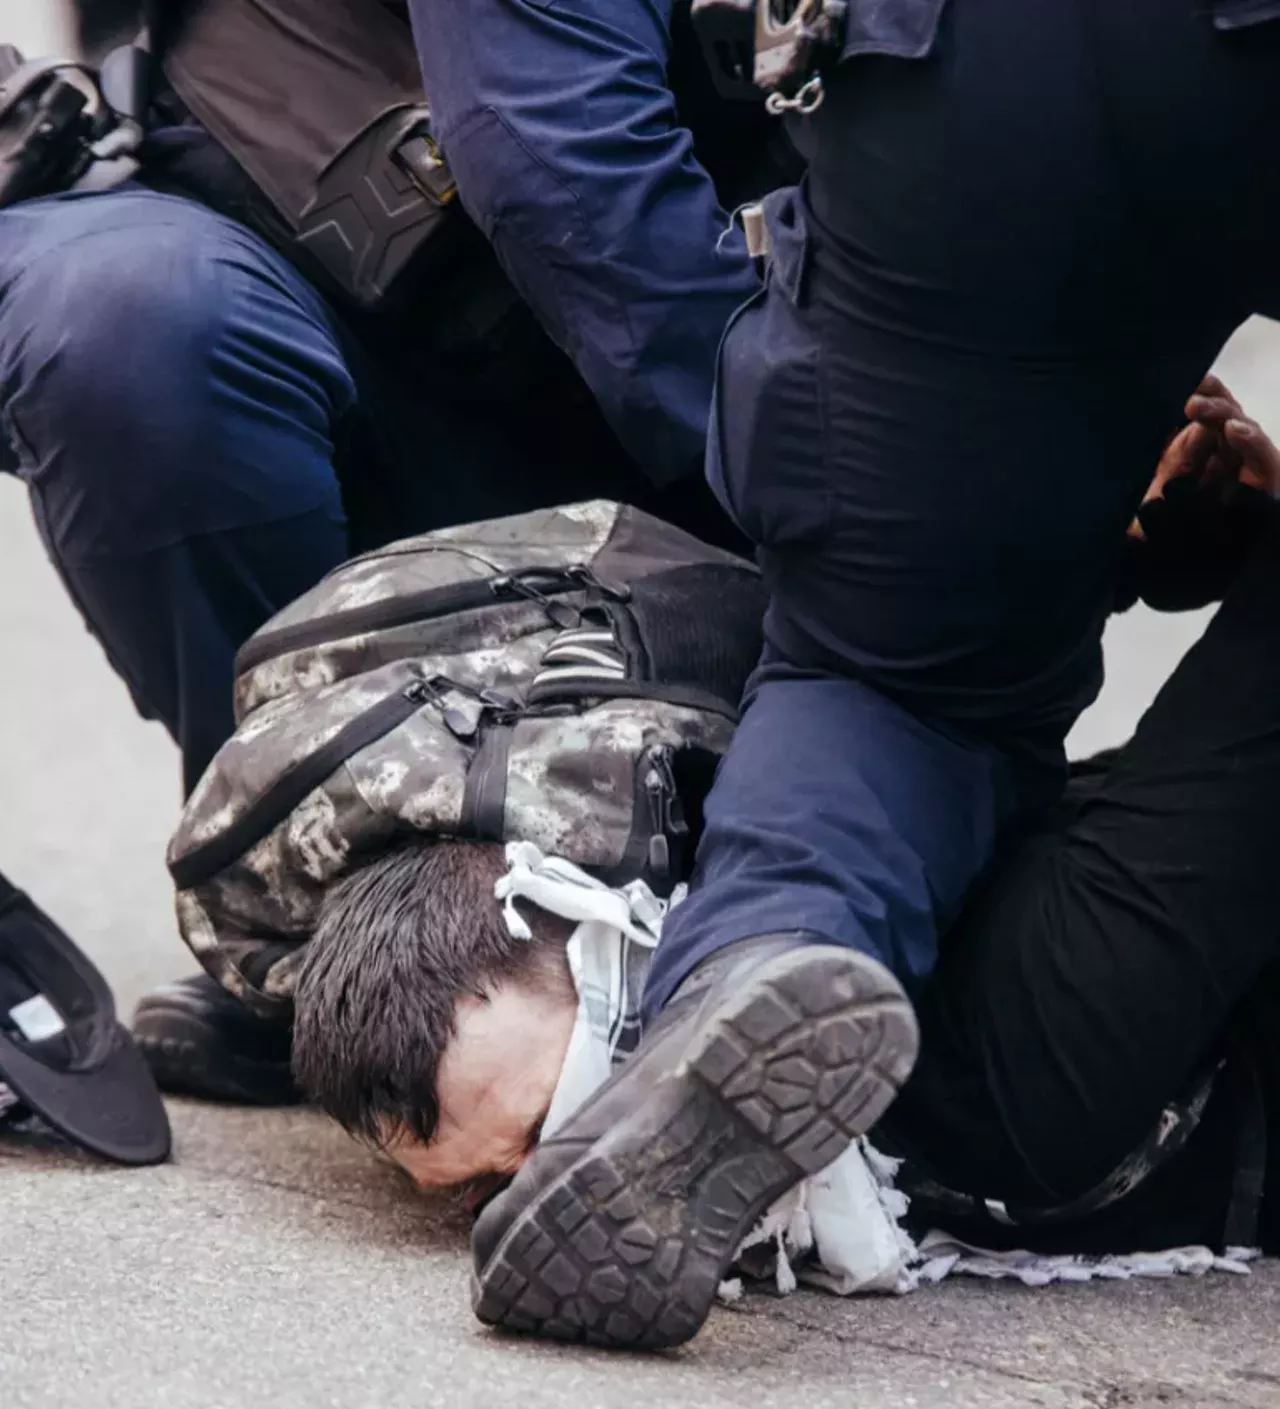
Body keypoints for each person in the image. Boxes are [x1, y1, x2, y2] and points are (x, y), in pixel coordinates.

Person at [419, 0, 1280, 1342]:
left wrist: (780, 424)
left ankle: (757, 956)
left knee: (896, 680)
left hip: (971, 75)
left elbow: (536, 122)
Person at [286, 375, 1280, 1336]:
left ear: (636, 941)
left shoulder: (1011, 1065)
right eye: (478, 1195)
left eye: (557, 1125)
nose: (554, 1198)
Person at [2, 0, 774, 1104]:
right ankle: (302, 896)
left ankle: (611, 937)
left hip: (685, 382)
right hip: (274, 257)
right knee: (129, 321)